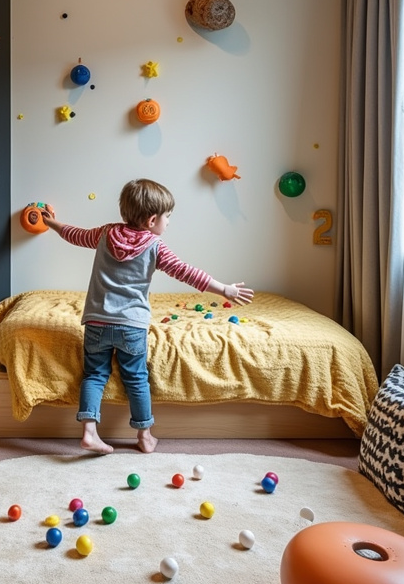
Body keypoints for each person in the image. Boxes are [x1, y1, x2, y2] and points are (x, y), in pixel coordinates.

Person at [42, 178, 253, 454]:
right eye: (168, 217)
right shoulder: (155, 246)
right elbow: (186, 272)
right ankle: (144, 435)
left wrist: (51, 223)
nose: (169, 222)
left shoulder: (105, 233)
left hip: (96, 321)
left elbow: (74, 234)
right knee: (137, 379)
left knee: (94, 375)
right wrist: (222, 288)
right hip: (132, 326)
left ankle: (90, 431)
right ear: (152, 220)